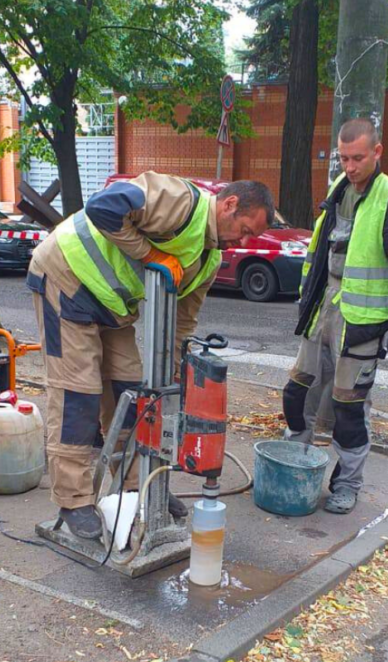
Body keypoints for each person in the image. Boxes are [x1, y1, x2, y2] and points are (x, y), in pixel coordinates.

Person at [27, 173, 273, 540]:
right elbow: (103, 206)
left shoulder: (209, 260)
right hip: (67, 278)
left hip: (112, 306)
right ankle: (74, 499)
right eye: (246, 229)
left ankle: (136, 487)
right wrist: (151, 254)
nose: (244, 241)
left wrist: (173, 382)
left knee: (134, 395)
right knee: (78, 394)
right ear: (230, 204)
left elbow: (180, 327)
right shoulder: (179, 201)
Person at [282, 118, 388, 515]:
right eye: (344, 158)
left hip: (361, 324)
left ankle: (346, 485)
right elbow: (319, 252)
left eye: (358, 158)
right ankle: (292, 466)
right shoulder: (339, 189)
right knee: (297, 394)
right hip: (324, 309)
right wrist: (308, 301)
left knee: (348, 409)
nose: (350, 166)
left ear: (377, 152)